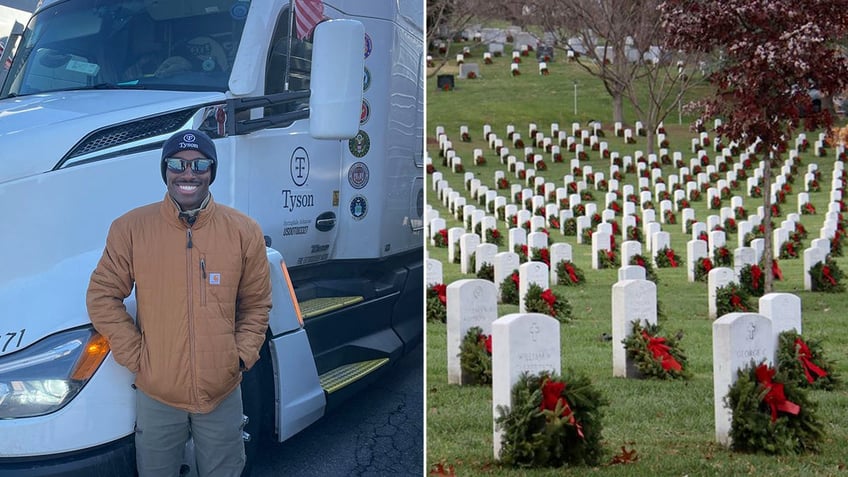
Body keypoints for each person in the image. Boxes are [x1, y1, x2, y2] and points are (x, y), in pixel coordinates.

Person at [86, 129, 272, 477]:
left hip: (221, 392)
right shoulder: (130, 229)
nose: (189, 173)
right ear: (165, 169)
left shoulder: (244, 231)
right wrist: (137, 356)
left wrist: (240, 355)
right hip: (157, 395)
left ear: (212, 171)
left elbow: (257, 304)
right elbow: (102, 295)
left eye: (200, 164)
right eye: (178, 164)